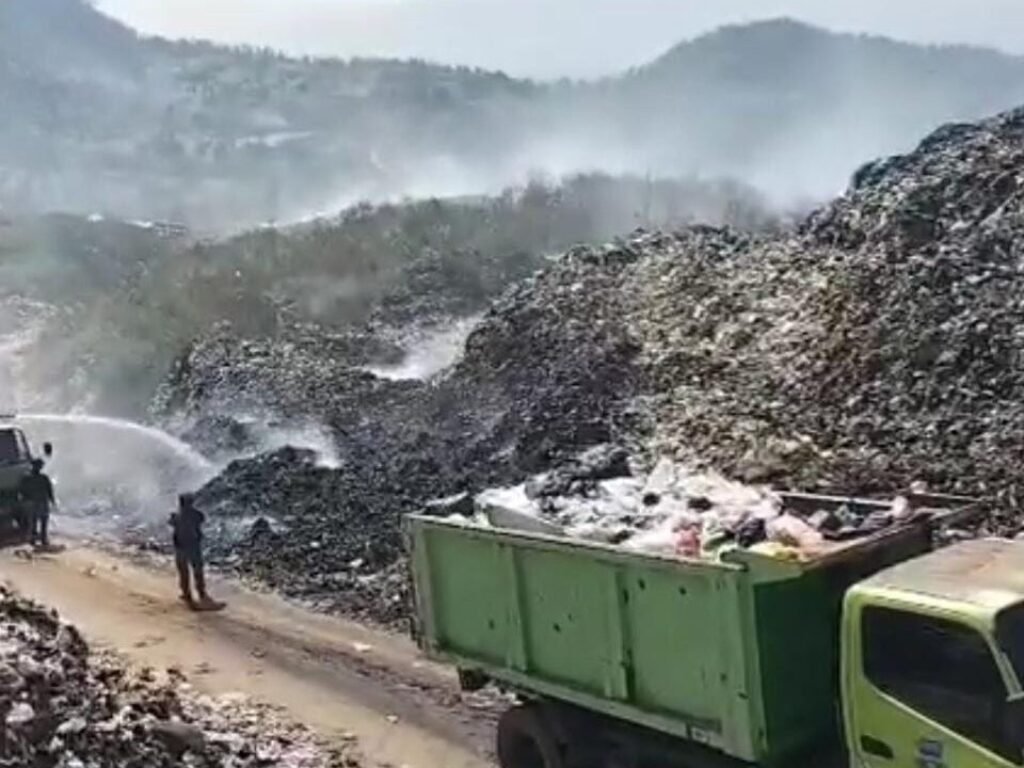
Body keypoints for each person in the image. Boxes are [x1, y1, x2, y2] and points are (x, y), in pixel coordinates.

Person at [170, 493, 220, 610]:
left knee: (185, 573)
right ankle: (200, 594)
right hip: (192, 546)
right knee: (196, 571)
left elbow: (172, 523)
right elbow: (201, 519)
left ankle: (188, 595)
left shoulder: (178, 516)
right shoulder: (194, 515)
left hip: (181, 547)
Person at [19, 459, 54, 548]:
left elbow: (22, 491)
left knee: (35, 522)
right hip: (40, 502)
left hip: (33, 502)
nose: (39, 468)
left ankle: (35, 539)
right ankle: (42, 539)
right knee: (41, 522)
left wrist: (24, 501)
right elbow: (49, 490)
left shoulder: (27, 478)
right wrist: (52, 500)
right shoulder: (43, 477)